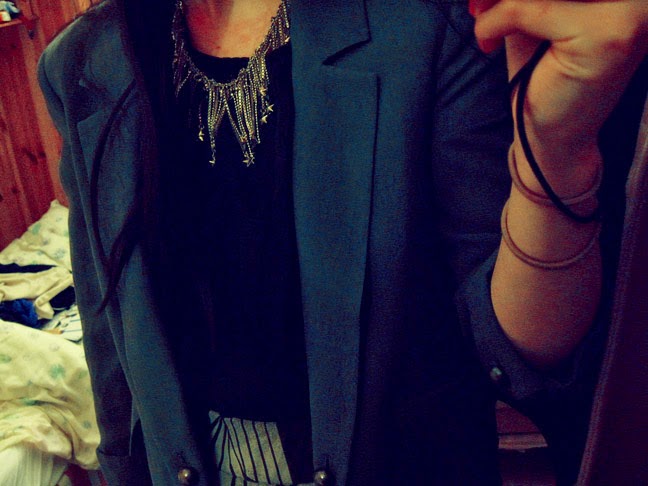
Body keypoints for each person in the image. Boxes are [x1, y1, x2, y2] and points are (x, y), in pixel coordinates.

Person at [37, 0, 647, 484]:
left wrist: (556, 152)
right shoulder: (84, 61)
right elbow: (109, 335)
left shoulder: (425, 26)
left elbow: (515, 348)